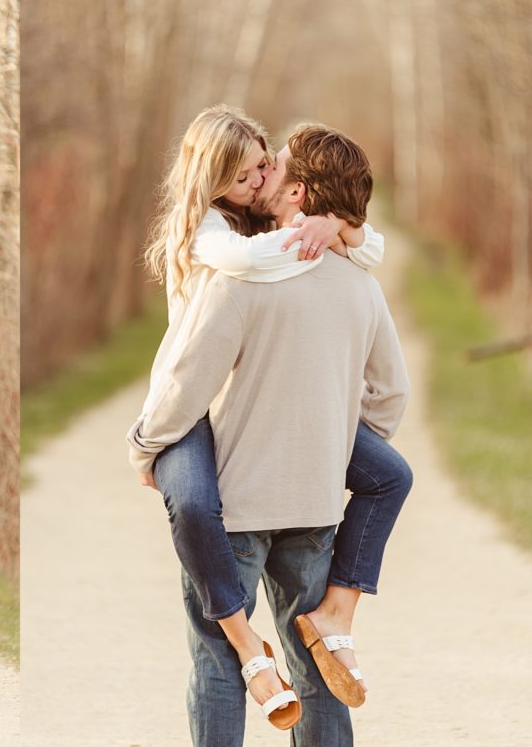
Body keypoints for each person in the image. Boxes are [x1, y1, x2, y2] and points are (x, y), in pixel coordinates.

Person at [127, 118, 411, 740]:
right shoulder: (362, 287)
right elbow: (390, 397)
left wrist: (145, 448)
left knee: (220, 659)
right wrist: (328, 448)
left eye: (274, 167)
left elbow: (186, 383)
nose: (263, 176)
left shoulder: (238, 282)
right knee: (317, 659)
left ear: (297, 194)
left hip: (237, 504)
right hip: (313, 507)